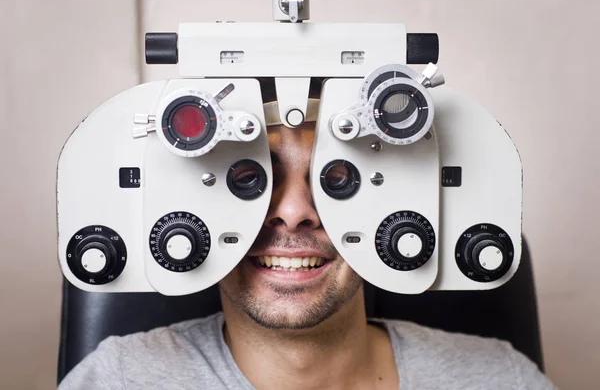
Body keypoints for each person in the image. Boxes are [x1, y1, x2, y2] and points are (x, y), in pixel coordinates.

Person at [58, 86, 559, 390]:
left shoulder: (498, 379)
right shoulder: (118, 380)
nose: (294, 213)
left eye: (337, 181)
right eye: (251, 180)